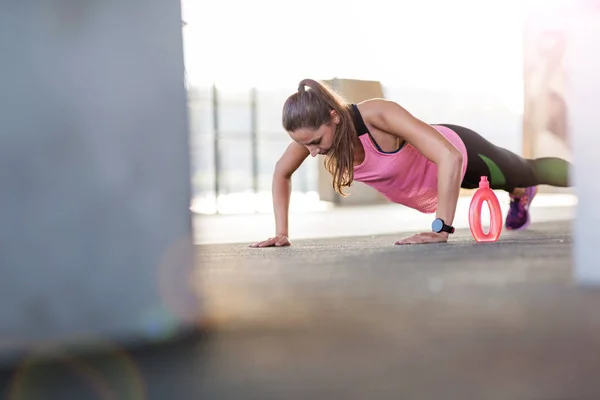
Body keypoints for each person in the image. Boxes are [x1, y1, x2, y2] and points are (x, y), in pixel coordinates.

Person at [250, 78, 571, 247]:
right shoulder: (314, 138)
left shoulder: (376, 115)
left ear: (333, 117)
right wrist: (281, 232)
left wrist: (441, 228)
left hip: (464, 154)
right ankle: (519, 191)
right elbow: (282, 173)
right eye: (304, 145)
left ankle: (529, 185)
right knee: (514, 180)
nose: (314, 153)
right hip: (437, 180)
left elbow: (449, 156)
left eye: (316, 142)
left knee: (527, 169)